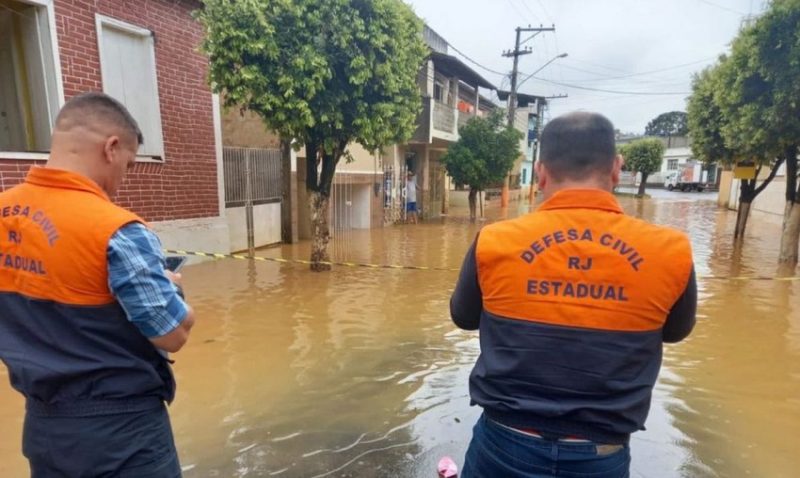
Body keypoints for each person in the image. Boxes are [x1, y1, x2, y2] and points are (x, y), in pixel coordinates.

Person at [450, 112, 696, 478]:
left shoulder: (495, 241)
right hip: (601, 454)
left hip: (504, 446)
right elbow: (675, 332)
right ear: (616, 168)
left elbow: (464, 317)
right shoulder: (670, 250)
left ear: (540, 171)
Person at [0, 92, 196, 477]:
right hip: (122, 435)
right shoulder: (116, 229)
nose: (123, 180)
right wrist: (171, 287)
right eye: (129, 163)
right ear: (111, 148)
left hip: (44, 430)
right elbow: (172, 333)